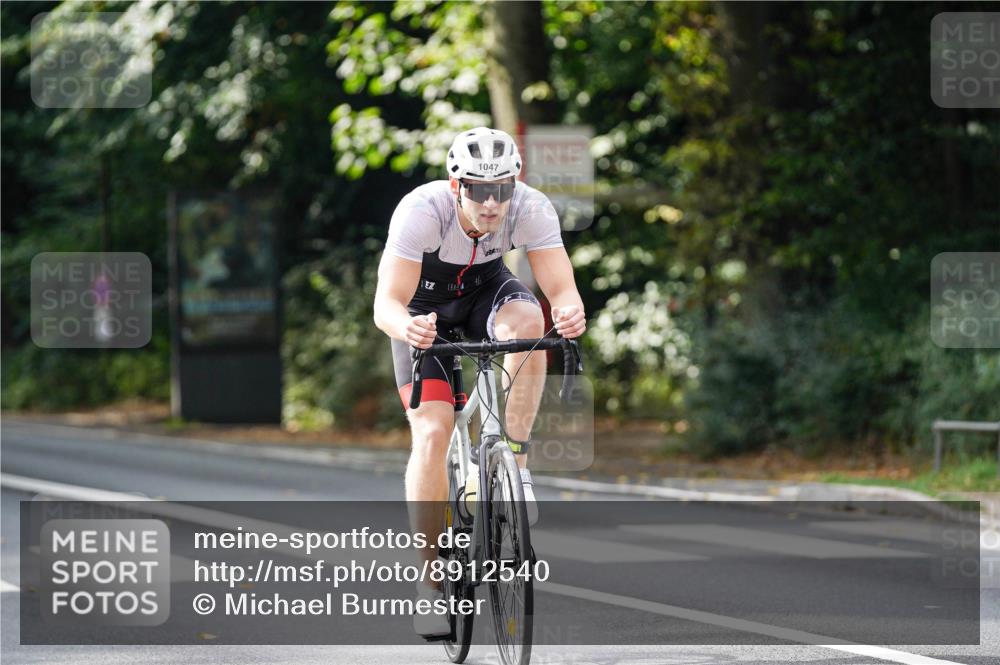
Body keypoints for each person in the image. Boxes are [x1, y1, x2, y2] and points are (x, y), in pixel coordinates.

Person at [373, 127, 586, 637]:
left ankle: (513, 460)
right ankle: (429, 582)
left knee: (531, 323)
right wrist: (409, 328)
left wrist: (571, 310)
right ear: (455, 186)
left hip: (485, 293)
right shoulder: (420, 211)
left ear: (516, 183)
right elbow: (387, 304)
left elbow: (562, 288)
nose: (491, 204)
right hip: (422, 313)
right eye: (478, 189)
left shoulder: (531, 208)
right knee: (432, 432)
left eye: (502, 189)